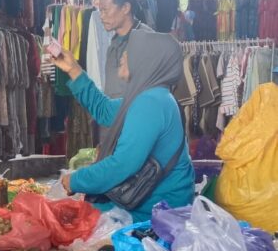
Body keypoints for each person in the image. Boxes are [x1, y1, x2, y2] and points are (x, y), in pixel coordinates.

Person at [52, 30, 194, 222]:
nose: (123, 56)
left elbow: (122, 164)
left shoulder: (151, 102)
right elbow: (103, 110)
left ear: (146, 61)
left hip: (157, 211)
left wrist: (76, 180)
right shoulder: (149, 97)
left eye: (130, 52)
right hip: (150, 201)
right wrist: (73, 69)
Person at [99, 0, 153, 99]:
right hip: (115, 114)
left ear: (125, 8)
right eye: (100, 11)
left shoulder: (147, 39)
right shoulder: (114, 43)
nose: (101, 16)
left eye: (105, 10)